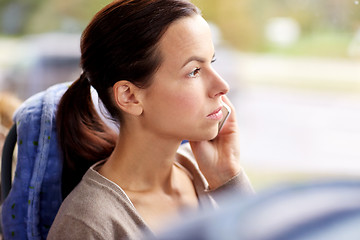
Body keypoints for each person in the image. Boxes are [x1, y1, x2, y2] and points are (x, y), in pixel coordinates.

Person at [48, 0, 254, 239]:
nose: (222, 85)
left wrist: (228, 178)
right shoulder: (89, 225)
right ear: (130, 96)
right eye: (194, 71)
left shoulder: (205, 172)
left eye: (212, 62)